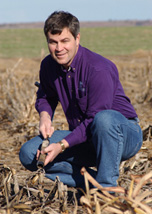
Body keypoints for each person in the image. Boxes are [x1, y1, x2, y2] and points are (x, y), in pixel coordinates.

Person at [19, 11, 143, 190]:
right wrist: (45, 117)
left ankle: (107, 190)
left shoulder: (99, 69)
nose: (59, 48)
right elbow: (46, 95)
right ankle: (95, 185)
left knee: (104, 119)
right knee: (28, 154)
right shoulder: (48, 65)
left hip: (122, 135)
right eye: (53, 42)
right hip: (84, 137)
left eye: (64, 41)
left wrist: (61, 145)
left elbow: (96, 119)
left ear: (77, 39)